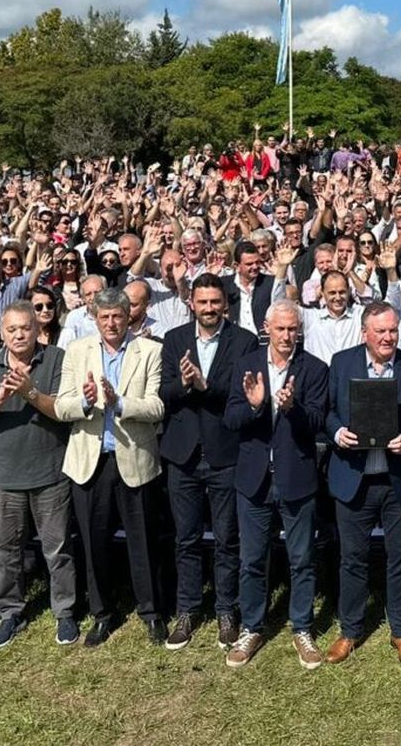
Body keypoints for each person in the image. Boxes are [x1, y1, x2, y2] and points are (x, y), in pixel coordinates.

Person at [323, 302, 401, 667]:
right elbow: (326, 411)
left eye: (393, 330)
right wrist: (337, 431)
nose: (389, 337)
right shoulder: (342, 364)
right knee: (352, 558)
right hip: (354, 479)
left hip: (398, 479)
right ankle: (350, 630)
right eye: (381, 331)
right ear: (365, 333)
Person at [55, 287, 166, 647]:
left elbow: (156, 408)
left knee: (143, 540)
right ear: (95, 319)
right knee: (94, 541)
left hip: (134, 456)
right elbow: (61, 407)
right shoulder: (76, 351)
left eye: (118, 316)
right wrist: (86, 403)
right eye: (104, 317)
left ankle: (151, 612)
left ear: (128, 316)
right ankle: (102, 614)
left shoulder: (150, 351)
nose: (112, 323)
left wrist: (119, 403)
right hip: (91, 460)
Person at [222, 300, 328, 669]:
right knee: (252, 559)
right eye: (280, 329)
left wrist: (292, 409)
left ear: (300, 330)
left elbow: (318, 422)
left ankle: (302, 627)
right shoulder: (246, 365)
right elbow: (231, 418)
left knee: (302, 560)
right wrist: (255, 406)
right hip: (253, 480)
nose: (286, 336)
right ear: (266, 327)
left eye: (292, 329)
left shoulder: (313, 369)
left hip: (296, 478)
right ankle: (252, 626)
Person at [159, 274, 258, 651]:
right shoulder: (174, 340)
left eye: (215, 302)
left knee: (227, 539)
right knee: (185, 538)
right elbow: (163, 393)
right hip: (183, 455)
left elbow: (242, 395)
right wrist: (186, 385)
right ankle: (187, 610)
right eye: (203, 302)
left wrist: (205, 387)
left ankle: (226, 611)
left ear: (225, 304)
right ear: (191, 304)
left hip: (225, 453)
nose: (209, 309)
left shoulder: (244, 341)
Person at [0, 301, 76, 649]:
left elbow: (62, 412)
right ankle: (10, 613)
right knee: (6, 548)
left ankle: (64, 612)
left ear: (37, 329)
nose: (19, 334)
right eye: (11, 329)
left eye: (25, 328)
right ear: (2, 332)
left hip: (49, 470)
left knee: (57, 548)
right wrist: (1, 396)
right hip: (3, 473)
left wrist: (29, 391)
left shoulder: (57, 358)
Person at [298, 270, 363, 364]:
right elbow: (281, 308)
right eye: (332, 293)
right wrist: (282, 269)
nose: (338, 298)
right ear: (323, 293)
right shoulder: (310, 317)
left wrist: (391, 274)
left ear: (349, 291)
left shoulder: (359, 315)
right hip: (320, 377)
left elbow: (387, 309)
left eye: (342, 292)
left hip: (350, 376)